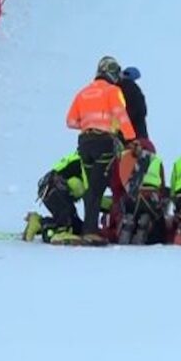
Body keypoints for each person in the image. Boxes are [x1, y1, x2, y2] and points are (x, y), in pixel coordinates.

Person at [65, 56, 136, 245]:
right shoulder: (113, 91)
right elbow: (121, 115)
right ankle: (90, 231)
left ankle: (89, 228)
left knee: (91, 186)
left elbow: (70, 122)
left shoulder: (83, 93)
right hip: (104, 142)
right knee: (97, 188)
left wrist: (88, 124)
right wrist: (130, 139)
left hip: (85, 143)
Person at [23, 152, 113, 244]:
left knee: (77, 228)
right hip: (54, 187)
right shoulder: (94, 162)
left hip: (53, 187)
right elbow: (91, 195)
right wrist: (112, 205)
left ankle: (39, 222)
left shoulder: (90, 154)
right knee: (65, 223)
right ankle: (58, 233)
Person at [109, 138, 167, 245]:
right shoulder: (156, 160)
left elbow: (116, 186)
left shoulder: (123, 158)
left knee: (126, 210)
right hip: (151, 200)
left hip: (130, 200)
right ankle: (146, 225)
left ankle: (127, 223)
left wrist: (116, 205)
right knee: (156, 218)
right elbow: (161, 188)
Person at [118, 66, 148, 140]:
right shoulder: (135, 90)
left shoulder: (118, 88)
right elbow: (142, 110)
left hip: (126, 135)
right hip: (138, 135)